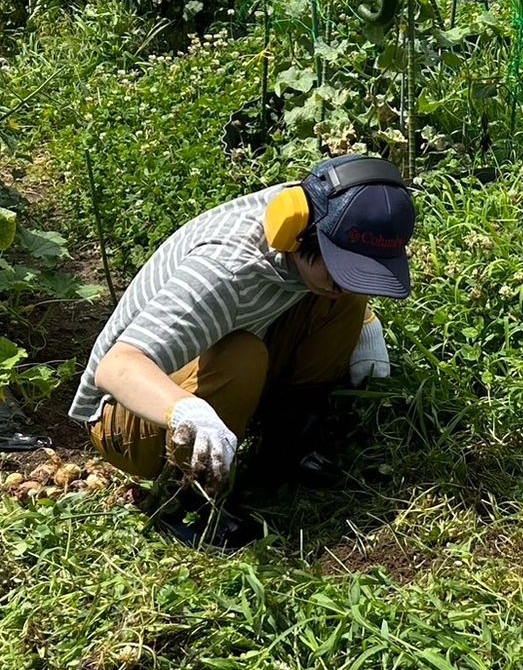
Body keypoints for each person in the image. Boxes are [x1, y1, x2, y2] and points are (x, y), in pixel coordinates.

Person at [68, 154, 415, 545]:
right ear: (297, 231)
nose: (345, 282)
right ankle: (191, 503)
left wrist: (363, 321)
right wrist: (186, 412)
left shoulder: (316, 214)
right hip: (127, 414)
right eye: (340, 268)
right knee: (241, 355)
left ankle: (289, 448)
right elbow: (117, 368)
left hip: (210, 353)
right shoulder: (223, 273)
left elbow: (341, 279)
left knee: (341, 298)